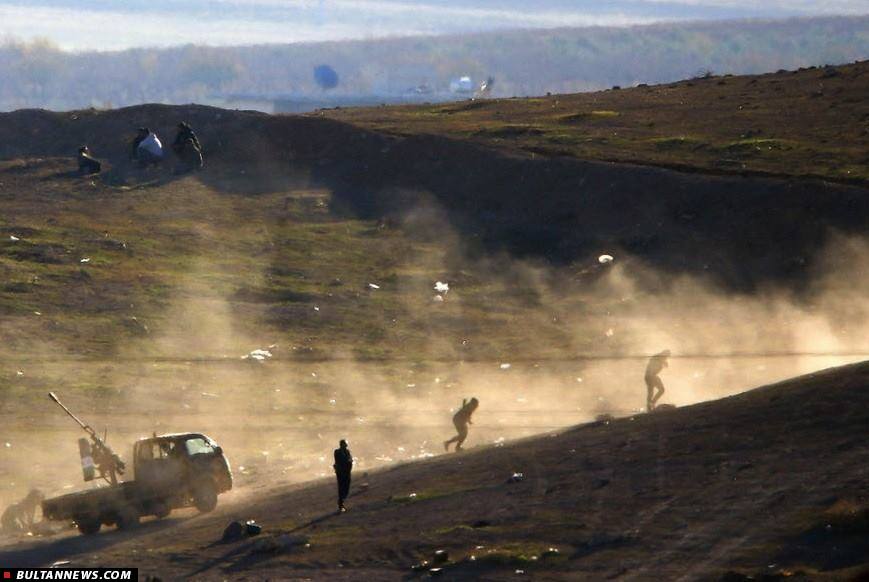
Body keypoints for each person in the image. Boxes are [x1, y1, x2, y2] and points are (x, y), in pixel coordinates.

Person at [333, 439, 353, 513]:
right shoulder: (337, 452)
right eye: (345, 444)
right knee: (341, 487)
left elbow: (350, 459)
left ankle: (342, 500)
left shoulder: (347, 451)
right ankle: (341, 503)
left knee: (346, 486)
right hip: (341, 472)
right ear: (342, 445)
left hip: (347, 471)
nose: (346, 445)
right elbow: (339, 461)